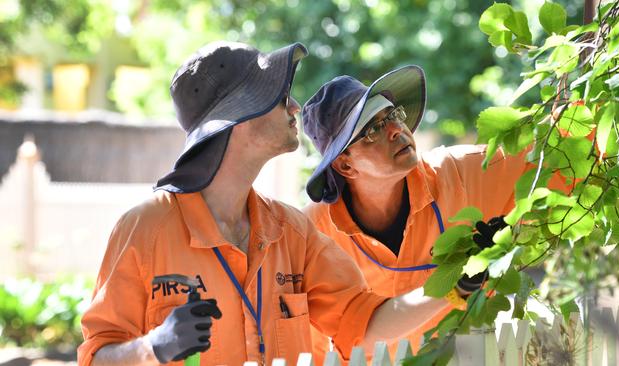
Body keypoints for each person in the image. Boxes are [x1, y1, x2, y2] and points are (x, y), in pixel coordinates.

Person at [77, 42, 477, 366]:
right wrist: (153, 348)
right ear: (238, 116)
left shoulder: (292, 231)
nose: (295, 108)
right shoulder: (145, 229)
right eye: (280, 96)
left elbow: (364, 321)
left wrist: (453, 286)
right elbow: (96, 357)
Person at [301, 67, 561, 361]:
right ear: (345, 166)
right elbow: (322, 342)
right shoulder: (313, 233)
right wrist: (454, 285)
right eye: (373, 129)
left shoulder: (464, 173)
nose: (397, 129)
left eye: (393, 115)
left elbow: (559, 151)